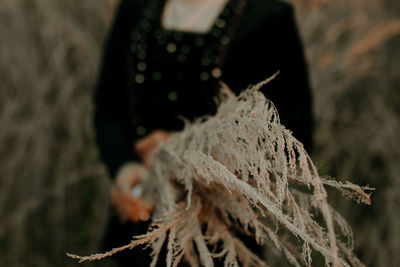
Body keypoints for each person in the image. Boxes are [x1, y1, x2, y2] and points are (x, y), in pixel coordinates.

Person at [94, 0, 313, 265]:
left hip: (222, 243)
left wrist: (192, 154)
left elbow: (291, 141)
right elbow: (109, 107)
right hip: (137, 231)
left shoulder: (267, 17)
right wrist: (123, 167)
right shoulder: (136, 8)